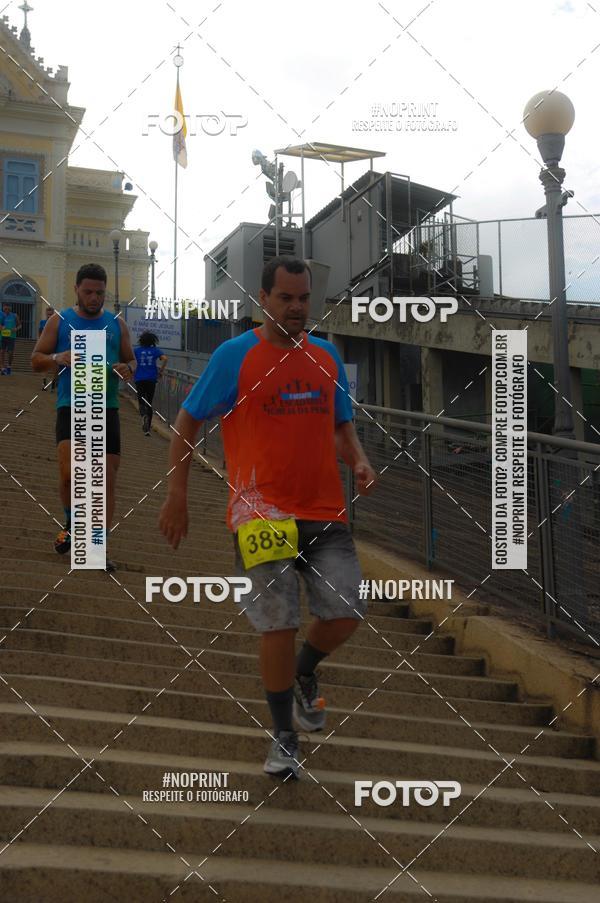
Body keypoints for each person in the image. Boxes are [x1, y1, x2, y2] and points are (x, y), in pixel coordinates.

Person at [159, 256, 377, 780]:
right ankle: (283, 737)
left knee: (346, 611)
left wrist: (360, 459)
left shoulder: (326, 356)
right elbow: (188, 418)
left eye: (303, 298)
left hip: (324, 510)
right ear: (264, 299)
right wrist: (177, 491)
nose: (297, 306)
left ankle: (304, 675)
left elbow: (341, 426)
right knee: (278, 622)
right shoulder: (236, 356)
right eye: (286, 298)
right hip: (260, 514)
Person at [31, 263, 136, 571]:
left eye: (100, 293)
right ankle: (71, 520)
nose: (94, 298)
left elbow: (130, 360)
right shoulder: (60, 321)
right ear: (76, 289)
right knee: (68, 475)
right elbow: (36, 359)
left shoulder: (117, 323)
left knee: (104, 482)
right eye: (88, 292)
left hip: (107, 408)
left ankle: (96, 549)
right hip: (71, 405)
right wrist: (56, 358)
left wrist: (128, 368)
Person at [134, 331, 168, 436]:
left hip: (139, 378)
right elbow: (165, 359)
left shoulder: (136, 350)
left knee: (141, 401)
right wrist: (161, 371)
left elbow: (132, 361)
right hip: (151, 379)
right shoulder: (156, 350)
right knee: (149, 402)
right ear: (153, 341)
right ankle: (147, 429)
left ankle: (143, 415)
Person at [0, 303, 21, 375]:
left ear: (10, 309)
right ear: (3, 308)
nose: (6, 310)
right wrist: (2, 327)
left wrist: (15, 329)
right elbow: (0, 325)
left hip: (11, 337)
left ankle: (9, 366)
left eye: (8, 309)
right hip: (3, 336)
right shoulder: (2, 316)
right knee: (2, 351)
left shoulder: (14, 316)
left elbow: (20, 325)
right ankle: (2, 368)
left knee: (10, 352)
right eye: (5, 309)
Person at [39, 308, 57, 392]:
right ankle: (44, 383)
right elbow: (39, 334)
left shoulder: (56, 323)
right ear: (46, 314)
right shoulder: (42, 322)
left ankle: (53, 384)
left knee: (55, 366)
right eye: (48, 314)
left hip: (54, 346)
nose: (49, 316)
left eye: (51, 314)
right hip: (45, 346)